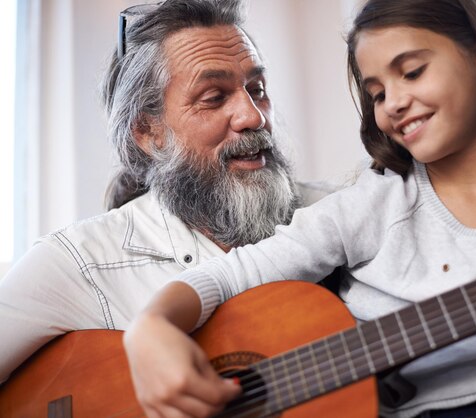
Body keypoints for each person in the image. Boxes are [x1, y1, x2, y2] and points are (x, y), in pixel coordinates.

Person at [123, 0, 476, 417]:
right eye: (377, 92)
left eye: (412, 72)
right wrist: (154, 325)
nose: (394, 104)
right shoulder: (376, 202)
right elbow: (235, 275)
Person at [0, 0, 338, 386]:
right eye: (214, 97)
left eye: (256, 89)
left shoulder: (338, 214)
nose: (253, 116)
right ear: (147, 132)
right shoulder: (79, 264)